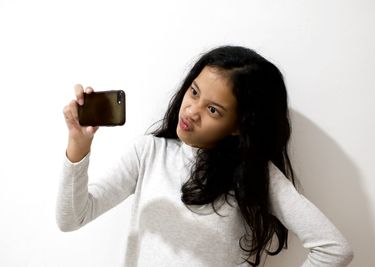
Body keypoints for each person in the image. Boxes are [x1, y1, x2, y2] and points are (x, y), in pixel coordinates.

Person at [57, 45, 354, 266]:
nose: (191, 111)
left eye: (213, 110)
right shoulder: (149, 153)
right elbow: (72, 218)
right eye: (195, 92)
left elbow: (334, 248)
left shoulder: (254, 173)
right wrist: (78, 146)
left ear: (239, 126)